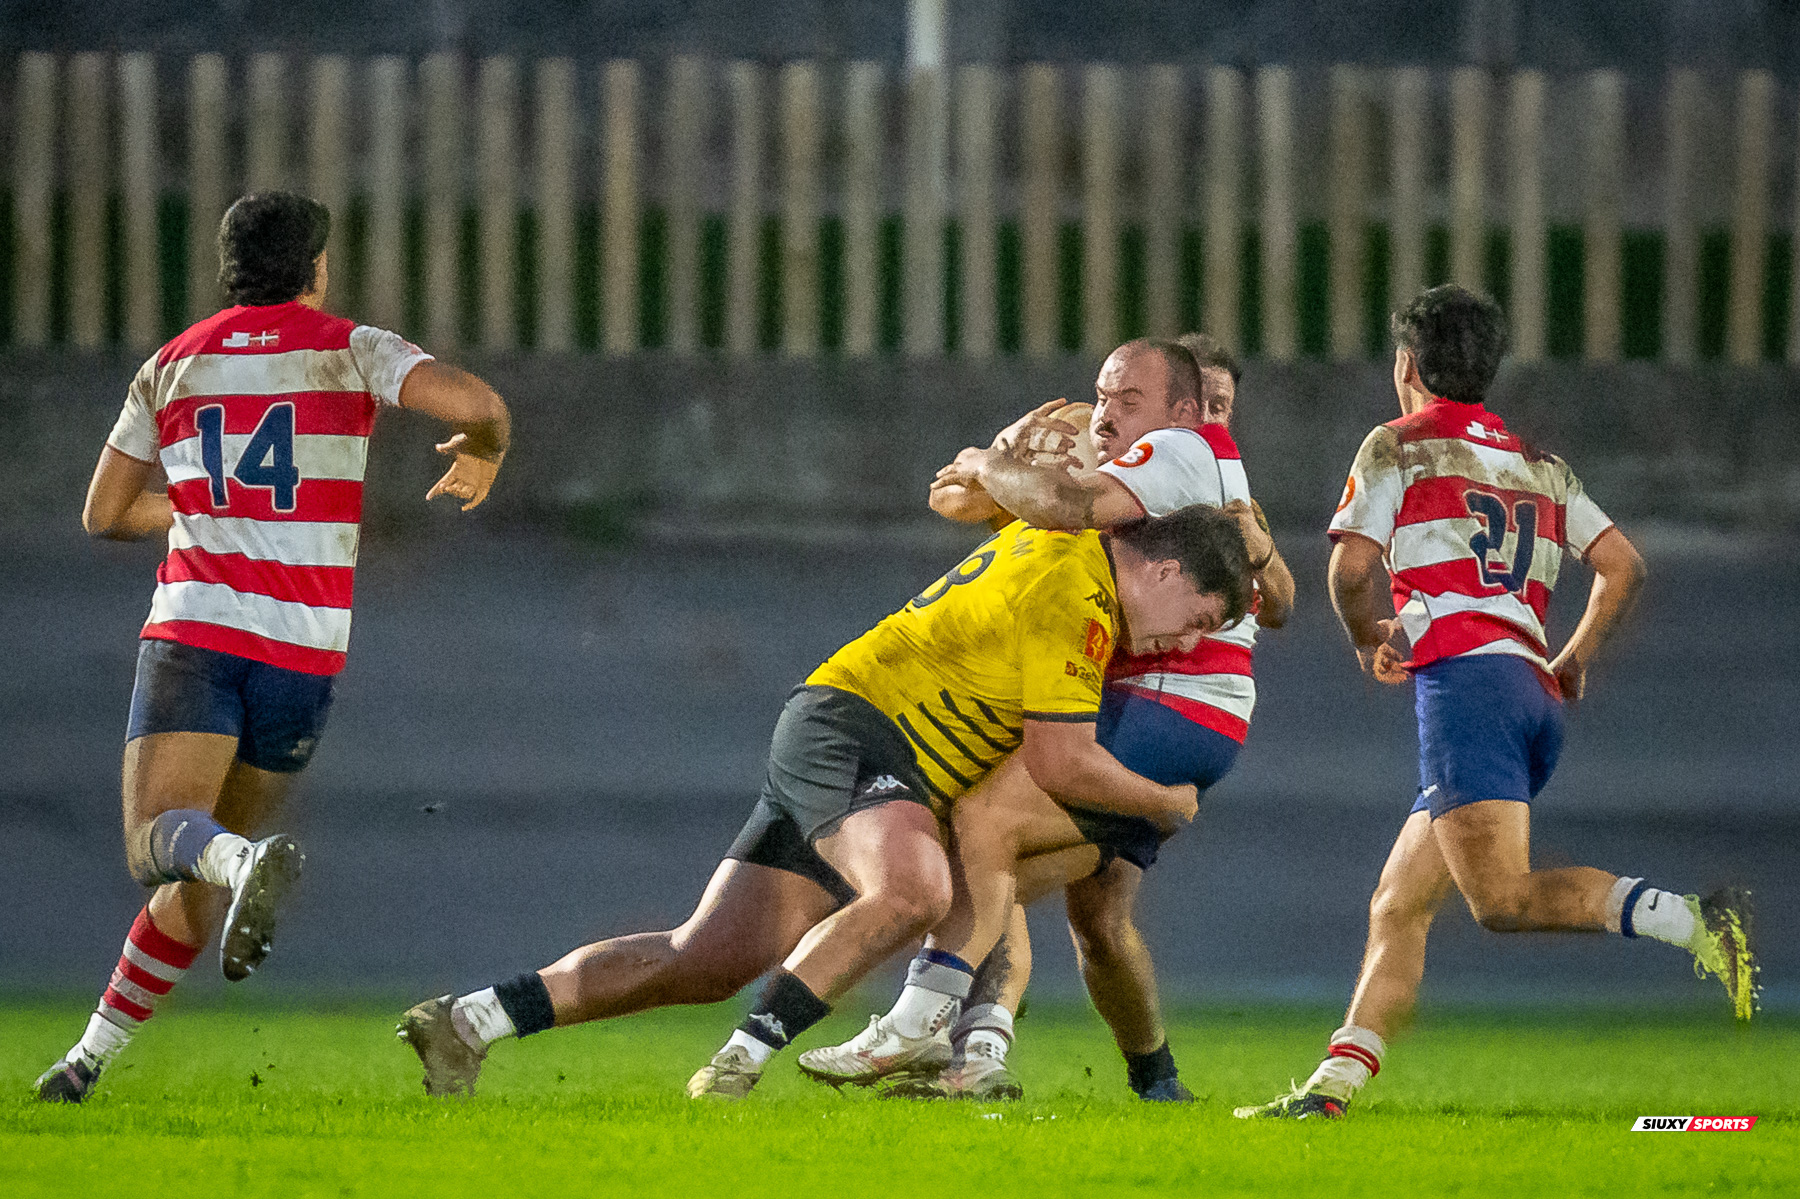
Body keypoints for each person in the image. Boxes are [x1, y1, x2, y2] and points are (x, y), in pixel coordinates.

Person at [397, 505, 1254, 1102]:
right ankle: (740, 1062)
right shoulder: (1082, 596)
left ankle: (470, 1019)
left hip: (850, 733)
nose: (1185, 640)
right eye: (1197, 616)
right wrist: (1165, 800)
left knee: (705, 956)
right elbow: (1060, 760)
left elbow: (972, 493)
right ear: (1164, 568)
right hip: (865, 734)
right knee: (917, 888)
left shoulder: (1056, 535)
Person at [1235, 284, 1758, 1122]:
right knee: (1399, 902)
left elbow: (1350, 570)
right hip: (1528, 692)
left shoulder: (1398, 444)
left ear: (1407, 364)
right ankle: (1331, 1091)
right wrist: (1573, 658)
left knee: (1501, 901)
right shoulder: (1538, 463)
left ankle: (1695, 922)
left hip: (1467, 689)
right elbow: (1622, 564)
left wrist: (1368, 636)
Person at [35, 192, 512, 1103]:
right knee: (206, 858)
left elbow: (103, 513)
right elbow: (477, 403)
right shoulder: (351, 347)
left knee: (159, 843)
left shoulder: (172, 365)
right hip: (302, 654)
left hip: (200, 632)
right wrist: (487, 447)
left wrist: (199, 505)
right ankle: (86, 1060)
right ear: (315, 267)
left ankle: (238, 868)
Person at [797, 336, 1292, 1103]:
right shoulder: (1155, 466)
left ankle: (931, 1029)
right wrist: (1005, 477)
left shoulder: (1184, 453)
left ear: (1185, 409)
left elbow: (1059, 506)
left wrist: (992, 461)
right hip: (1164, 708)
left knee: (983, 825)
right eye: (1112, 398)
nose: (1216, 424)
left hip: (1167, 702)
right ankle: (1144, 1081)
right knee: (1084, 911)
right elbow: (965, 502)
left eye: (1221, 408)